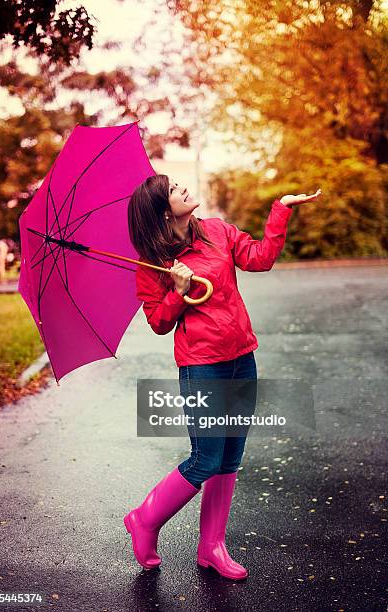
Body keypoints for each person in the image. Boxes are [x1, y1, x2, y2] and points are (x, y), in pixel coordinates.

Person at [125, 175, 321, 579]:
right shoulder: (153, 263)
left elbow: (260, 257)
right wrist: (177, 290)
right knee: (206, 458)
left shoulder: (216, 231)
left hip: (241, 357)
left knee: (230, 458)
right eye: (174, 190)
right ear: (164, 211)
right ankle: (144, 519)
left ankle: (211, 546)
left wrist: (281, 209)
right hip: (202, 366)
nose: (183, 190)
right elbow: (159, 323)